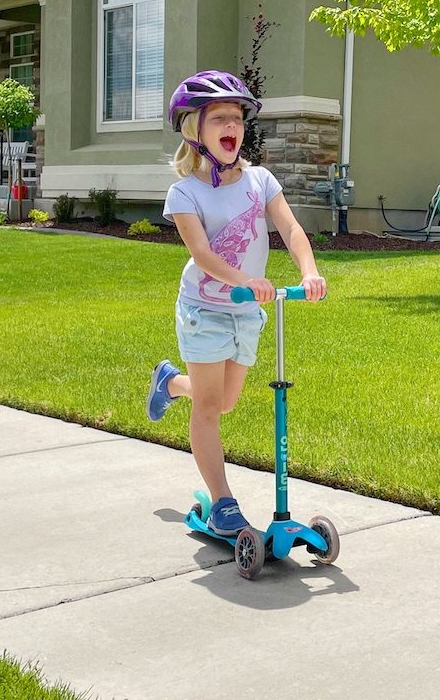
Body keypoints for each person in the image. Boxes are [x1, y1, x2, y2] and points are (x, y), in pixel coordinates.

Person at [147, 70, 327, 537]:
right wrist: (247, 278)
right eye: (220, 118)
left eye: (238, 119)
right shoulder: (185, 192)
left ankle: (169, 383)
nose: (233, 127)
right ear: (195, 129)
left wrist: (308, 271)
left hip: (246, 310)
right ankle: (223, 503)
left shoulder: (260, 180)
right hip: (203, 308)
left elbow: (289, 228)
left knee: (225, 401)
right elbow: (202, 255)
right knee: (208, 408)